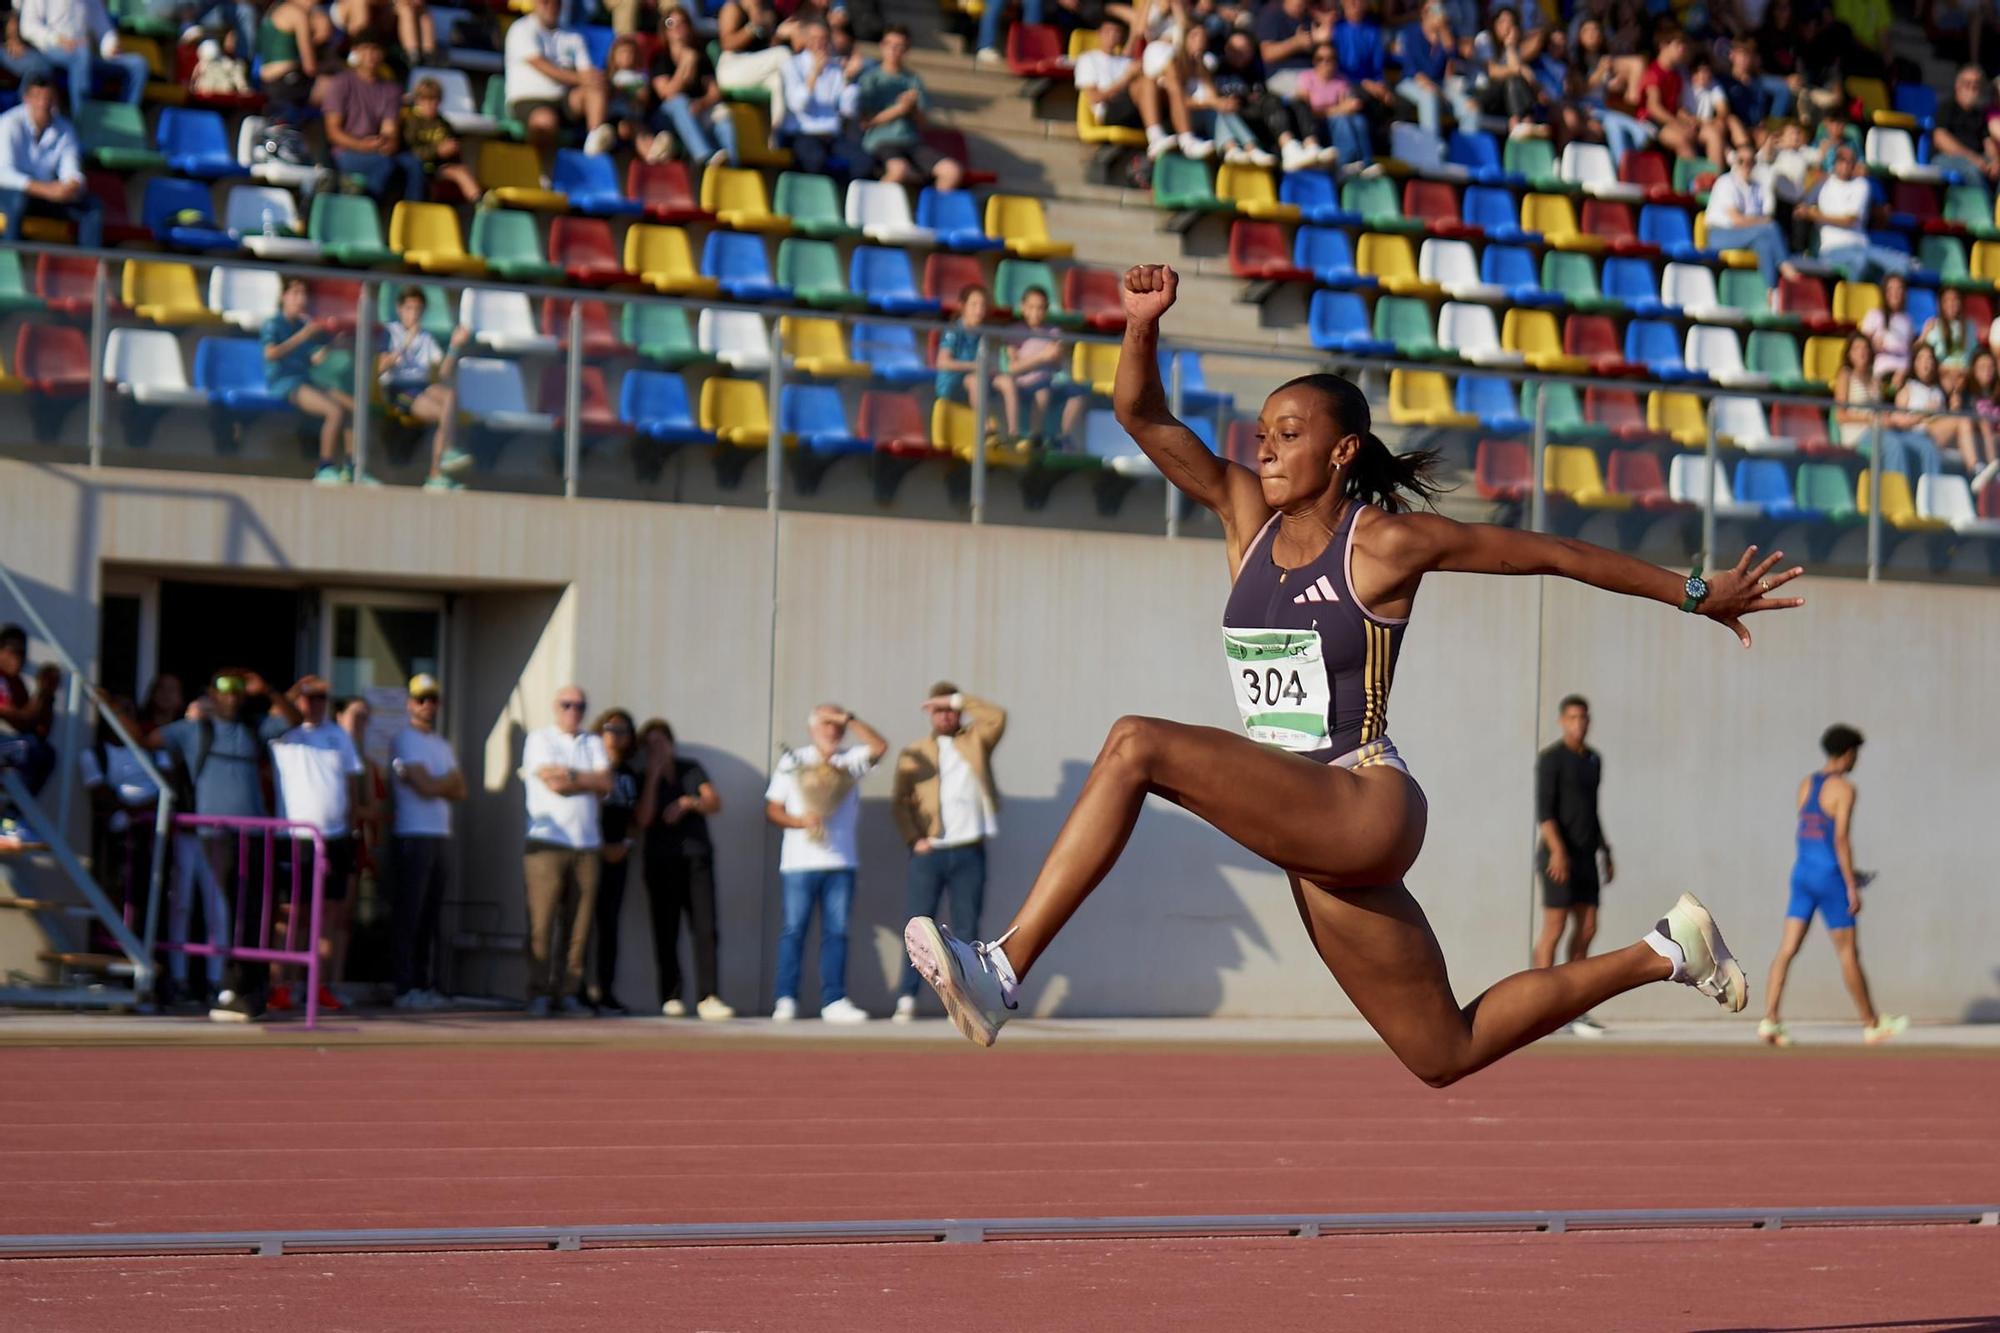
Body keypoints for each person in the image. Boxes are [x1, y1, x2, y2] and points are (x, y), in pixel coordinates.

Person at [904, 263, 1798, 1077]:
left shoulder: (1384, 543)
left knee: (1136, 745)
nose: (1265, 448)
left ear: (1341, 451)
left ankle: (1003, 965)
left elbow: (1554, 553)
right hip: (1308, 823)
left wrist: (1695, 592)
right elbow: (1142, 415)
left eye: (1289, 434)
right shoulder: (1243, 515)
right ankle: (1668, 949)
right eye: (1261, 433)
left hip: (1362, 799)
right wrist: (1140, 326)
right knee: (1443, 1048)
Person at [1759, 725, 1906, 1047]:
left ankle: (1769, 1019)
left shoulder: (1806, 785)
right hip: (1829, 880)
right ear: (1848, 753)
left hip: (1802, 875)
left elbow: (1813, 834)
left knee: (1787, 949)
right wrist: (1851, 885)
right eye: (1857, 754)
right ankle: (1872, 1024)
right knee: (1848, 953)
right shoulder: (1845, 789)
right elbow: (1839, 838)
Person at [158, 671, 287, 1021]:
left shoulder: (252, 729)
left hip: (256, 833)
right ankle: (220, 985)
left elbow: (290, 718)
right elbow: (146, 738)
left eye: (238, 689)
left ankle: (247, 987)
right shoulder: (193, 729)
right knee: (223, 907)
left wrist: (268, 689)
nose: (232, 695)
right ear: (211, 693)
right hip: (214, 833)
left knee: (255, 911)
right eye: (225, 688)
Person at [764, 703, 887, 1023]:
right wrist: (800, 821)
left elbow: (879, 747)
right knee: (793, 930)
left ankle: (834, 1000)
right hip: (798, 864)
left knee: (837, 932)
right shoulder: (793, 761)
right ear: (811, 728)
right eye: (825, 724)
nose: (832, 730)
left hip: (841, 861)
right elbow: (773, 810)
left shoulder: (851, 761)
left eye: (837, 725)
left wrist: (850, 718)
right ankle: (786, 998)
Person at [891, 684, 1006, 1023]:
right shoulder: (915, 751)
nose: (946, 715)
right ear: (930, 714)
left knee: (967, 928)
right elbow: (901, 802)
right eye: (939, 709)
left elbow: (997, 717)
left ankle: (965, 999)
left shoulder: (975, 741)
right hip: (930, 853)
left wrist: (959, 700)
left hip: (969, 849)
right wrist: (914, 839)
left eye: (951, 709)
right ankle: (906, 997)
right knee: (918, 928)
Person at [264, 675, 363, 1016]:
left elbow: (351, 781)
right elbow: (275, 718)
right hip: (295, 837)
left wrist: (351, 828)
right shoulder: (282, 733)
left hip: (334, 837)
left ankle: (319, 985)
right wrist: (290, 694)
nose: (314, 703)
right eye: (308, 697)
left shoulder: (338, 735)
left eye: (321, 697)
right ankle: (280, 985)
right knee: (291, 913)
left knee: (330, 913)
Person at [519, 684, 613, 1016]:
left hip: (587, 845)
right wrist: (584, 779)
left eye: (580, 706)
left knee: (579, 927)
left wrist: (570, 774)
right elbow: (554, 786)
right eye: (567, 705)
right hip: (547, 845)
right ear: (555, 707)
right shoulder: (539, 739)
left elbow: (606, 783)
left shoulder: (593, 742)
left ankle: (568, 992)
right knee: (542, 924)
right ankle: (538, 992)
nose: (574, 711)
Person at [636, 718, 730, 1018]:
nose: (657, 749)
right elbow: (644, 819)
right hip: (660, 862)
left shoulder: (691, 769)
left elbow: (714, 802)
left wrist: (689, 803)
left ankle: (709, 996)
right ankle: (671, 995)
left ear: (671, 742)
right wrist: (652, 776)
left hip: (696, 859)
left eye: (661, 742)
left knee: (705, 928)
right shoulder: (641, 776)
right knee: (665, 929)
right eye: (650, 745)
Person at [1533, 694, 1613, 1037]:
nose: (1578, 723)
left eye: (1583, 718)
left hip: (1586, 855)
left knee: (1588, 928)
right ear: (1562, 721)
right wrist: (1558, 851)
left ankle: (1574, 1009)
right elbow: (1545, 813)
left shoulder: (1594, 760)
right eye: (1572, 718)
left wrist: (1605, 850)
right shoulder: (1551, 760)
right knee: (1555, 927)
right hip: (1557, 857)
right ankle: (1539, 1008)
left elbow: (1591, 811)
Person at [389, 673, 463, 1010]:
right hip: (412, 834)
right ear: (410, 703)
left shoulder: (442, 745)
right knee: (410, 913)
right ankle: (403, 986)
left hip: (440, 835)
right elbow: (425, 787)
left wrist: (439, 782)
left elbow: (461, 790)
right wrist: (441, 783)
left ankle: (423, 982)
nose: (427, 705)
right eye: (421, 699)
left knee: (431, 914)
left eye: (432, 699)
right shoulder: (404, 739)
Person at [264, 278, 361, 488]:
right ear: (284, 297)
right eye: (295, 293)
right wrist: (302, 336)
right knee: (333, 411)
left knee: (354, 408)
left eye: (304, 294)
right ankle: (324, 467)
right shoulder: (274, 323)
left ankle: (351, 467)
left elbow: (309, 359)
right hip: (286, 385)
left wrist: (334, 345)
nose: (301, 299)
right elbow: (271, 354)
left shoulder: (301, 324)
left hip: (306, 381)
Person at [378, 286, 474, 493]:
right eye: (409, 308)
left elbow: (443, 374)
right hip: (398, 389)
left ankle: (445, 455)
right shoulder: (389, 332)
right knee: (443, 413)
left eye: (418, 309)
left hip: (420, 387)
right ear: (399, 309)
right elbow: (381, 367)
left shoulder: (426, 337)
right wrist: (405, 343)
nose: (414, 314)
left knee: (449, 396)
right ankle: (436, 473)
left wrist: (454, 346)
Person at [1074, 17, 1205, 161]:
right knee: (1147, 78)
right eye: (1108, 31)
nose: (1112, 35)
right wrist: (1126, 78)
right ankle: (1157, 137)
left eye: (1117, 32)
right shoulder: (1088, 59)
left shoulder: (1127, 61)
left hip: (1138, 109)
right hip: (1111, 111)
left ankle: (1185, 138)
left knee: (1163, 78)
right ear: (1099, 33)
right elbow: (1094, 97)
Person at [855, 24, 963, 190]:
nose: (894, 50)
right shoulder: (870, 79)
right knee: (899, 170)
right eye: (890, 45)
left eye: (900, 47)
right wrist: (898, 110)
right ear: (882, 46)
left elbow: (923, 124)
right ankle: (872, 208)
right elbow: (865, 123)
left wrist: (912, 109)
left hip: (912, 143)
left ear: (907, 50)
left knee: (951, 171)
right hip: (881, 141)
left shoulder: (913, 79)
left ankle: (931, 213)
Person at [0, 73, 100, 250]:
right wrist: (46, 189)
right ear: (26, 98)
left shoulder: (65, 128)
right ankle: (9, 267)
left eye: (48, 97)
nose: (43, 103)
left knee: (91, 208)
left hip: (46, 194)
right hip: (12, 192)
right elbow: (4, 174)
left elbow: (71, 168)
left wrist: (72, 185)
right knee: (17, 203)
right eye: (37, 96)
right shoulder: (8, 123)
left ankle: (88, 268)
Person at [585, 707, 641, 1013]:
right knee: (581, 926)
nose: (616, 736)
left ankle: (605, 992)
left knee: (609, 926)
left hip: (619, 857)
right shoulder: (590, 767)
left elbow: (636, 818)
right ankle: (576, 991)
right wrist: (601, 846)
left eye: (624, 730)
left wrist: (626, 844)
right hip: (590, 853)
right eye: (610, 728)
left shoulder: (631, 774)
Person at [321, 36, 425, 201]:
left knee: (414, 165)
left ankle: (413, 215)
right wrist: (361, 145)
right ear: (355, 52)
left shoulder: (391, 90)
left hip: (377, 149)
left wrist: (387, 142)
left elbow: (390, 130)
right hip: (345, 151)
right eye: (365, 49)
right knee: (382, 164)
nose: (371, 55)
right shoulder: (340, 83)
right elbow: (333, 132)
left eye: (376, 50)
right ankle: (366, 212)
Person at [505, 0, 613, 153]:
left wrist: (600, 79)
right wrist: (581, 78)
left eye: (557, 2)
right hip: (529, 99)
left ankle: (594, 144)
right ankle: (542, 171)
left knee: (596, 86)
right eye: (545, 1)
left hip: (564, 100)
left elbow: (586, 71)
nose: (552, 6)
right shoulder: (520, 29)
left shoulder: (573, 36)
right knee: (545, 123)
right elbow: (542, 65)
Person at [1834, 331, 1941, 481]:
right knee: (1894, 446)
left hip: (1881, 428)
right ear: (1849, 353)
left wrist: (1888, 418)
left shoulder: (1875, 379)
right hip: (1858, 432)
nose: (1862, 352)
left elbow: (1881, 409)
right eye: (1857, 348)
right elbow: (1840, 416)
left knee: (1926, 446)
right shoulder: (1845, 375)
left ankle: (1930, 494)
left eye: (1865, 348)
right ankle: (1897, 496)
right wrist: (1872, 420)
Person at [1800, 145, 1916, 279]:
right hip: (1832, 249)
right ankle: (1852, 298)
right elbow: (1802, 207)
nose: (1845, 165)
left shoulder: (1861, 184)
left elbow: (1850, 220)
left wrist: (1815, 215)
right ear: (1835, 162)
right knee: (1860, 262)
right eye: (1841, 160)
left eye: (1850, 162)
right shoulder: (1822, 184)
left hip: (1861, 246)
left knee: (1897, 266)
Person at [9, 0, 150, 109]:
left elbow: (105, 31)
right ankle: (82, 115)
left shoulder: (90, 2)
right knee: (81, 53)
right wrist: (57, 39)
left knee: (138, 64)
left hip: (85, 56)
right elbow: (28, 27)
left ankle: (126, 116)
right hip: (49, 52)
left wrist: (110, 46)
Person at [648, 5, 734, 167]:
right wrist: (685, 65)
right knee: (679, 102)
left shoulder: (701, 57)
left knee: (723, 115)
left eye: (683, 22)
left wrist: (701, 104)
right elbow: (667, 93)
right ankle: (704, 157)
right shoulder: (661, 58)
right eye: (670, 22)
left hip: (695, 113)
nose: (677, 27)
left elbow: (715, 92)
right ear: (665, 30)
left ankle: (732, 169)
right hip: (664, 119)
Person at [936, 285, 1024, 441]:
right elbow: (943, 362)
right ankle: (986, 428)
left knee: (1006, 381)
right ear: (962, 307)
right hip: (952, 383)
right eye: (974, 305)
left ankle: (1013, 433)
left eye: (983, 305)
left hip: (977, 378)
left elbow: (986, 363)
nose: (979, 310)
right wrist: (974, 366)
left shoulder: (983, 333)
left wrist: (993, 370)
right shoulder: (954, 330)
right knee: (974, 380)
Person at [777, 18, 859, 176]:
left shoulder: (836, 68)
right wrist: (814, 74)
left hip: (831, 136)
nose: (819, 43)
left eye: (824, 39)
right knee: (815, 160)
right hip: (803, 134)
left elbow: (848, 110)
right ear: (806, 40)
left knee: (863, 161)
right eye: (815, 39)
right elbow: (797, 105)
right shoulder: (792, 65)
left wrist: (849, 79)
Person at [1703, 145, 1793, 288]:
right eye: (1741, 161)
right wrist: (1764, 222)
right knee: (1769, 228)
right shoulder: (1725, 182)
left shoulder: (1757, 187)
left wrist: (1762, 221)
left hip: (1745, 234)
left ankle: (1771, 291)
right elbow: (1737, 220)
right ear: (1734, 162)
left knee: (1764, 244)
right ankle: (1787, 268)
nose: (1746, 165)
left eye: (1750, 161)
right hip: (1719, 234)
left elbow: (1756, 219)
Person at [1004, 286, 1077, 444]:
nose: (1035, 312)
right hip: (1025, 385)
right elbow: (1013, 367)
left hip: (1051, 382)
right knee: (1042, 392)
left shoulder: (1054, 332)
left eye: (1040, 308)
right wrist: (1042, 357)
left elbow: (1057, 365)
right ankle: (1035, 437)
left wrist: (1057, 356)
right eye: (1031, 307)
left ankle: (1064, 436)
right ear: (1023, 307)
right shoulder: (1014, 331)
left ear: (1046, 309)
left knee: (1078, 394)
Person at [399, 78, 484, 205]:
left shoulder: (443, 124)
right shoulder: (411, 122)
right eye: (425, 99)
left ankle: (480, 202)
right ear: (417, 100)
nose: (430, 104)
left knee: (461, 171)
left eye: (434, 100)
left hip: (439, 166)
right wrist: (437, 151)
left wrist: (451, 151)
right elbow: (411, 151)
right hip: (418, 165)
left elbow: (451, 147)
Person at [0, 623, 58, 802]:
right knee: (28, 747)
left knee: (46, 753)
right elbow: (21, 720)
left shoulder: (17, 683)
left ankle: (15, 811)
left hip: (9, 742)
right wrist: (40, 692)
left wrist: (48, 695)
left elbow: (40, 730)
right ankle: (10, 811)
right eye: (12, 652)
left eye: (22, 653)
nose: (18, 659)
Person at [1932, 66, 1999, 184]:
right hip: (1947, 158)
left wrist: (1995, 161)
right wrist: (1973, 158)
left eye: (1976, 85)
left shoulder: (1979, 114)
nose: (1972, 88)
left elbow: (1988, 142)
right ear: (1957, 85)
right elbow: (1940, 139)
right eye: (1967, 83)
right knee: (1971, 170)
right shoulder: (1946, 107)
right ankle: (1982, 203)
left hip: (1977, 159)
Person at [1858, 273, 1914, 387]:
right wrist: (1873, 345)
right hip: (1883, 371)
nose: (1895, 293)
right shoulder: (1874, 315)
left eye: (1899, 289)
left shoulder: (1907, 320)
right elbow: (1861, 345)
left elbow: (1909, 351)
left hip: (1905, 371)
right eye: (1891, 289)